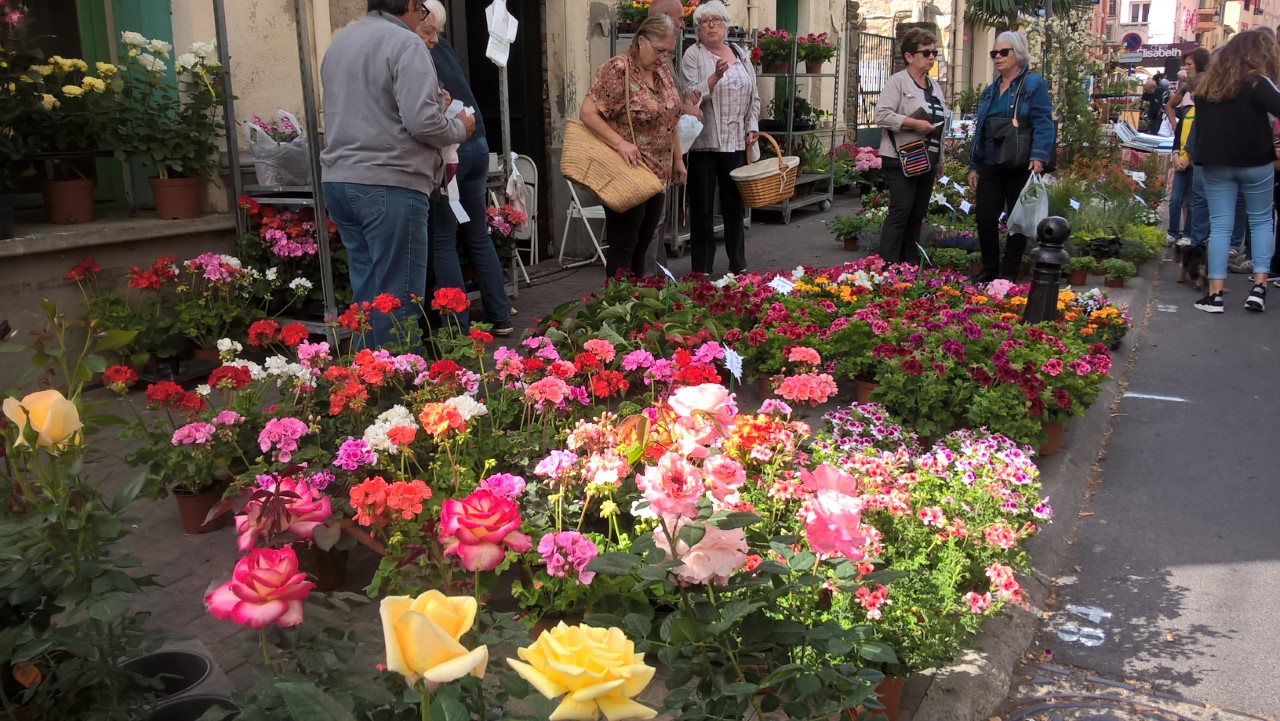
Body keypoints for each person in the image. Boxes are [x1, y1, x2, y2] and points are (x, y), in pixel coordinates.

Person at [320, 0, 474, 349]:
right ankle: (399, 390)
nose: (422, 15)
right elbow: (423, 123)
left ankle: (362, 386)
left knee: (369, 295)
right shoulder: (405, 42)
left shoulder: (341, 42)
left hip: (340, 178)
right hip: (390, 180)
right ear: (408, 4)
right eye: (422, 9)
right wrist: (460, 127)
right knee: (399, 298)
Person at [415, 2, 513, 336]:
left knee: (443, 241)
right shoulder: (441, 43)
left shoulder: (414, 46)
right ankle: (500, 316)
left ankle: (456, 327)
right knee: (477, 233)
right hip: (478, 141)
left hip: (451, 146)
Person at [580, 13, 686, 280]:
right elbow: (588, 113)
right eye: (660, 50)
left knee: (644, 245)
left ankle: (636, 305)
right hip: (628, 171)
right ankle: (616, 306)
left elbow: (670, 117)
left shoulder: (662, 72)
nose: (664, 57)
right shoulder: (619, 69)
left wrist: (677, 159)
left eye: (669, 52)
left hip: (658, 175)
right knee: (625, 244)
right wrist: (621, 143)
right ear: (641, 41)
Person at [1189, 29, 1280, 313]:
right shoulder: (1257, 82)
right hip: (1255, 162)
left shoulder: (1206, 84)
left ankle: (1215, 295)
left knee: (1220, 226)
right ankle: (1259, 287)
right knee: (1261, 221)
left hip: (1216, 162)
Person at [966, 31, 1054, 282]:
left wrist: (1039, 155)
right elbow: (981, 130)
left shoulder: (1033, 84)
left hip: (1020, 162)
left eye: (1004, 52)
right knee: (984, 218)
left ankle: (1009, 271)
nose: (997, 57)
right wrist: (974, 165)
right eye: (994, 53)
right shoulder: (990, 91)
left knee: (1018, 221)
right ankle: (989, 269)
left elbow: (1042, 121)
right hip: (991, 163)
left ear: (1019, 53)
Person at [681, 0, 760, 275]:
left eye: (717, 20)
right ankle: (701, 268)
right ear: (698, 29)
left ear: (726, 25)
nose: (711, 25)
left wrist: (751, 126)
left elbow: (754, 95)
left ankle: (738, 265)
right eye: (705, 21)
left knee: (734, 206)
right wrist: (713, 78)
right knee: (702, 207)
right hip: (705, 145)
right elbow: (689, 96)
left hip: (735, 142)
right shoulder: (693, 55)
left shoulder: (740, 52)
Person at [873, 27, 948, 265]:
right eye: (925, 53)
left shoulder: (935, 86)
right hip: (901, 157)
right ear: (908, 56)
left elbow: (941, 124)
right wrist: (913, 123)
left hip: (928, 158)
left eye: (933, 53)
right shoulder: (898, 82)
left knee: (917, 215)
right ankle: (886, 265)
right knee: (901, 212)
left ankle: (909, 265)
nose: (931, 57)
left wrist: (941, 159)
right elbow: (882, 115)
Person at [642, 0, 704, 277]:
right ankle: (646, 282)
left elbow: (668, 111)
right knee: (649, 225)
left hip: (664, 154)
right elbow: (653, 107)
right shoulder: (630, 66)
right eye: (680, 19)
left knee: (659, 221)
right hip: (643, 157)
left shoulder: (662, 62)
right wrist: (684, 107)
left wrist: (678, 159)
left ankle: (659, 278)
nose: (682, 25)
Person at [1165, 48, 1209, 245]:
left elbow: (1199, 132)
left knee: (1194, 200)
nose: (1186, 68)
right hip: (1182, 155)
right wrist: (1175, 129)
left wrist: (1189, 156)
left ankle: (1189, 234)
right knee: (1177, 199)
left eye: (1190, 64)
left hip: (1195, 158)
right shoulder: (1186, 93)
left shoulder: (1206, 95)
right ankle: (1175, 232)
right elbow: (1170, 106)